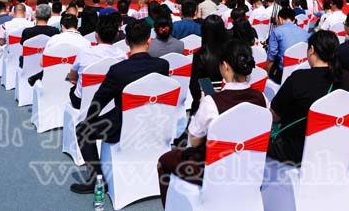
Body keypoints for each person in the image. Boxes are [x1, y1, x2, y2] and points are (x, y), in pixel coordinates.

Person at [157, 40, 266, 206]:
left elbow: (194, 141)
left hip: (213, 172)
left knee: (164, 160)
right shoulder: (262, 99)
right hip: (249, 169)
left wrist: (203, 105)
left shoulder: (212, 103)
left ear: (225, 66)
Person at [71, 20, 169, 194]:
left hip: (124, 126)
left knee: (82, 130)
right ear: (149, 40)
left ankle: (96, 179)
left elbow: (99, 100)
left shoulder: (118, 70)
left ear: (126, 41)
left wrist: (88, 121)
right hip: (155, 121)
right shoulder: (162, 65)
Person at [267, 31, 349, 164]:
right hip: (334, 149)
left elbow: (274, 116)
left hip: (296, 150)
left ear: (312, 50)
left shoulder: (298, 78)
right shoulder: (346, 78)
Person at [67, 13, 127, 109]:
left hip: (82, 101)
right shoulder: (122, 55)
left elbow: (72, 77)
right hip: (111, 101)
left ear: (96, 35)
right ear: (116, 35)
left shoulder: (85, 53)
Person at [188, 15, 228, 114]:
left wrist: (211, 94)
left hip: (206, 104)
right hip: (228, 103)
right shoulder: (230, 52)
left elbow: (194, 86)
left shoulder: (200, 55)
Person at [266, 7, 309, 82]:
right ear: (293, 20)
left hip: (283, 74)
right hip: (302, 71)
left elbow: (272, 56)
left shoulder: (276, 31)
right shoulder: (305, 33)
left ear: (280, 19)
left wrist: (267, 72)